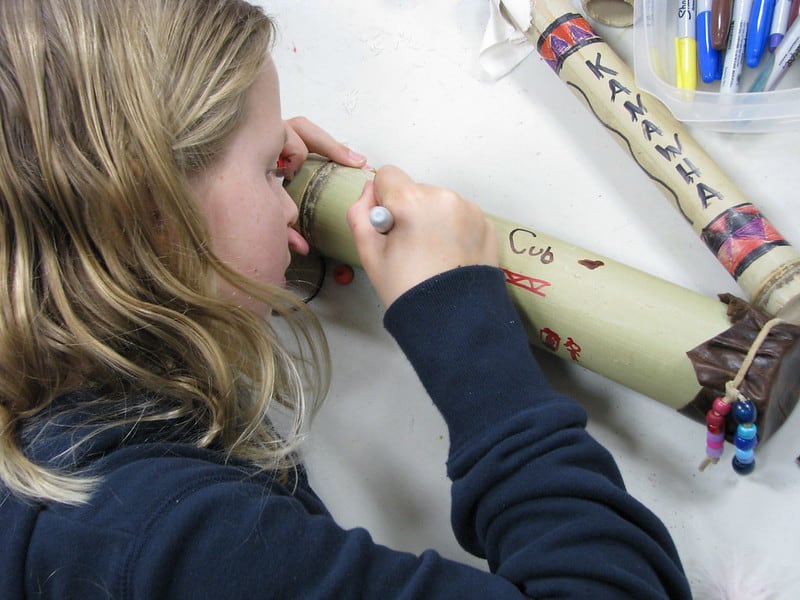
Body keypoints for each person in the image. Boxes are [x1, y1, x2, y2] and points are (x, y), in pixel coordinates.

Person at [0, 0, 693, 597]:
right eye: (273, 168)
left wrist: (226, 247)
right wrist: (464, 334)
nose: (290, 187)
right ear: (151, 212)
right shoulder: (177, 543)